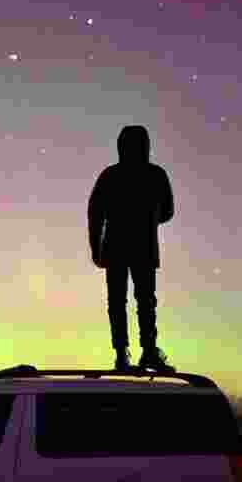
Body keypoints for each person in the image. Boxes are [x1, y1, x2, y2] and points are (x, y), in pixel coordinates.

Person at [87, 125, 175, 373]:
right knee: (142, 301)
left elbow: (95, 214)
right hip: (139, 246)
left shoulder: (112, 175)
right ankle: (142, 351)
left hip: (120, 246)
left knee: (122, 302)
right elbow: (168, 211)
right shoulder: (155, 174)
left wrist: (96, 247)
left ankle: (126, 353)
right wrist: (147, 220)